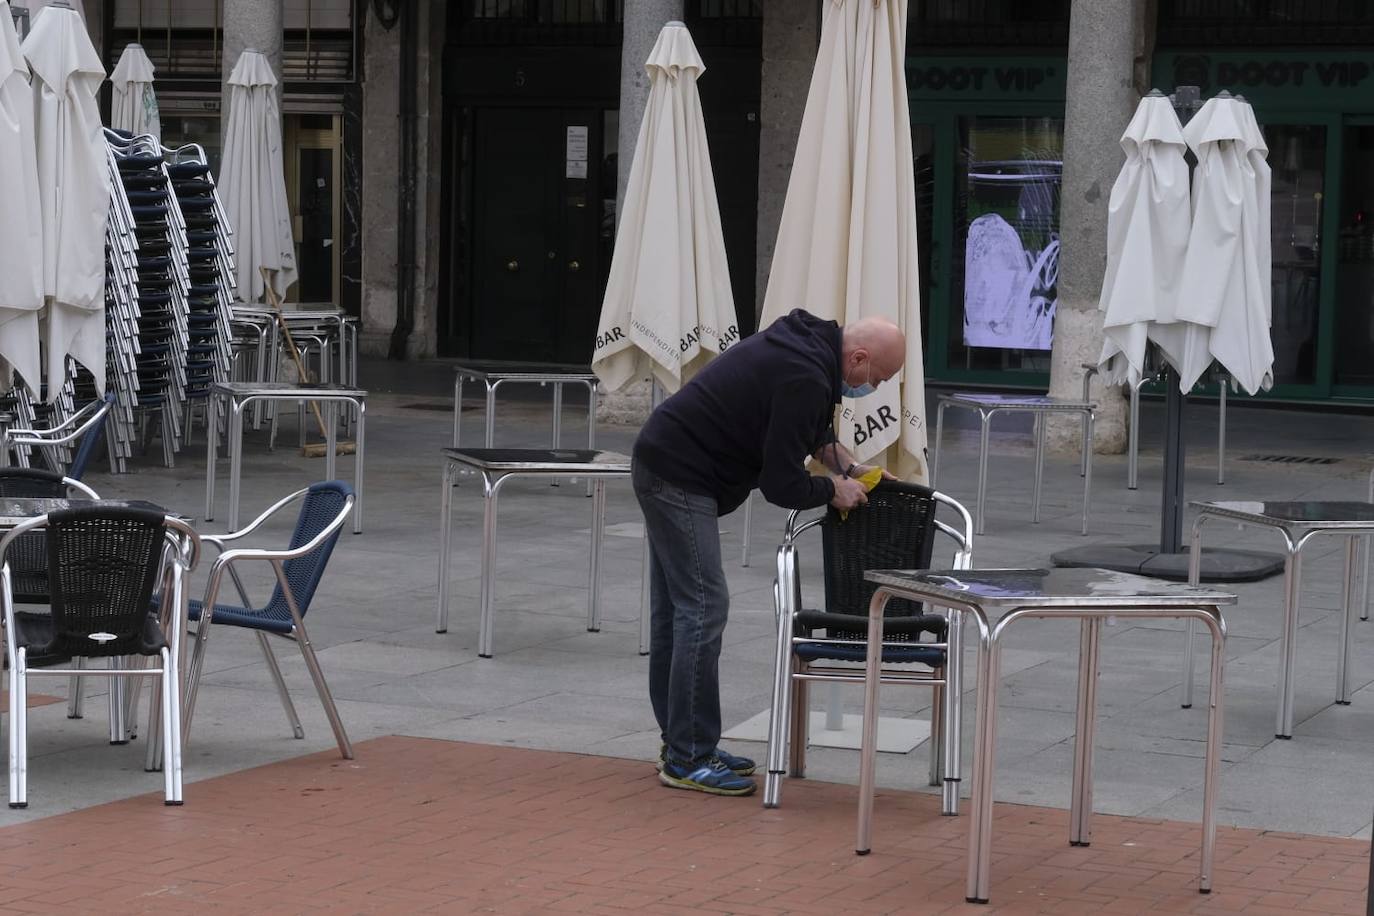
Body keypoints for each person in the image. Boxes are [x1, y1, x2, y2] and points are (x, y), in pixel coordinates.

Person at [633, 308, 906, 796]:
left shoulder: (810, 350)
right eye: (878, 378)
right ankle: (687, 756)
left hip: (663, 457)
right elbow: (781, 483)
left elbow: (813, 433)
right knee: (701, 608)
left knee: (677, 611)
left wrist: (853, 467)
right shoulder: (807, 373)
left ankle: (684, 742)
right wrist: (833, 492)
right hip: (678, 475)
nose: (875, 388)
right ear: (859, 357)